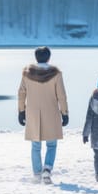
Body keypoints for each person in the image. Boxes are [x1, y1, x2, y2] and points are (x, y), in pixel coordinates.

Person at [18, 46, 69, 184]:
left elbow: (21, 93)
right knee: (51, 144)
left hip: (33, 113)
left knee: (35, 145)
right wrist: (64, 113)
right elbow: (61, 95)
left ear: (36, 57)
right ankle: (47, 169)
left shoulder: (27, 73)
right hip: (51, 112)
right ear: (48, 57)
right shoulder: (56, 74)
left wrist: (21, 111)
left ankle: (37, 174)